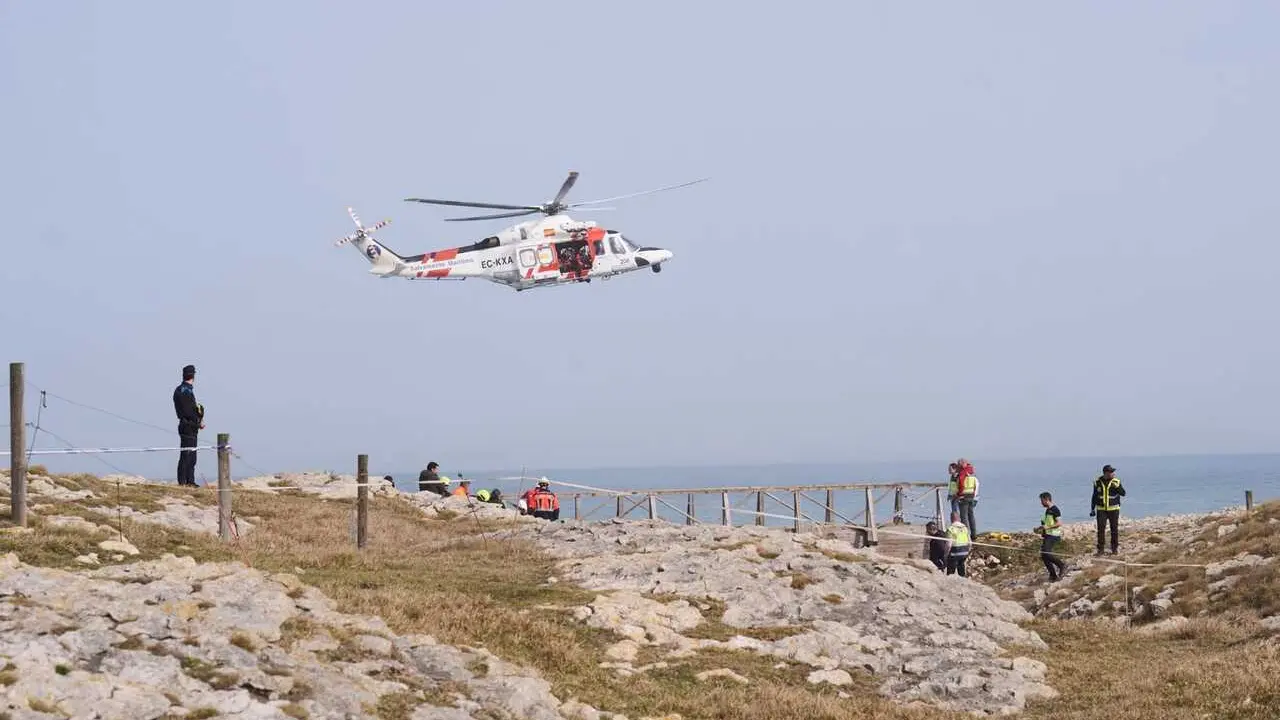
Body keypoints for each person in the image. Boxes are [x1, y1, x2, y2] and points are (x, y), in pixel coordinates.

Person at [172, 364, 204, 487]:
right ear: (193, 376)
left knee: (190, 454)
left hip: (187, 424)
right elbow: (189, 411)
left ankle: (188, 480)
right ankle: (185, 481)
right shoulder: (185, 390)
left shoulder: (180, 389)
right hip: (188, 425)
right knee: (188, 454)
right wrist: (198, 420)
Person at [1091, 464, 1126, 555]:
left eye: (1113, 472)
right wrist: (1092, 509)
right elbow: (1094, 496)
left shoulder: (1116, 481)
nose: (1113, 473)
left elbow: (1123, 493)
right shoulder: (1097, 482)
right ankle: (1100, 549)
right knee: (1101, 529)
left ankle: (1114, 549)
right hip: (1101, 509)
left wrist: (1117, 487)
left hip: (1114, 509)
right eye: (1111, 472)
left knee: (1114, 529)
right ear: (1106, 473)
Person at [1035, 491, 1068, 581]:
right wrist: (1039, 528)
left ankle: (1062, 565)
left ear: (1046, 500)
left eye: (1041, 501)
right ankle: (1053, 575)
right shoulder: (1047, 510)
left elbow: (1059, 523)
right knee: (1044, 555)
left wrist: (1048, 527)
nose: (1041, 503)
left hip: (1054, 535)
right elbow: (1046, 524)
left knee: (1046, 553)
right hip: (1048, 535)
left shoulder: (1055, 509)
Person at [955, 458, 979, 537]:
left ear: (962, 464)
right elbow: (977, 484)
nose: (958, 466)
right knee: (971, 515)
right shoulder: (972, 472)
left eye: (959, 464)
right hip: (971, 495)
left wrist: (959, 494)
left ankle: (966, 535)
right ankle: (974, 534)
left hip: (964, 496)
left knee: (963, 516)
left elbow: (961, 484)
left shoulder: (963, 472)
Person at [944, 511, 971, 577]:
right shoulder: (965, 528)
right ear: (959, 518)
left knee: (951, 567)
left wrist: (946, 554)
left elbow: (949, 544)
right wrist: (968, 551)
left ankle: (950, 578)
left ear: (951, 519)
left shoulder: (951, 529)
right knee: (961, 565)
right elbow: (970, 542)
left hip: (955, 552)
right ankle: (962, 577)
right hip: (964, 551)